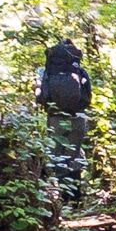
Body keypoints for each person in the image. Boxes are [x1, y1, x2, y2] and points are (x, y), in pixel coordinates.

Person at [34, 38, 92, 201]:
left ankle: (62, 199)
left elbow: (41, 96)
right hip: (78, 117)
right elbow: (88, 97)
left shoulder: (46, 72)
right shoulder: (80, 72)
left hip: (55, 117)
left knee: (57, 154)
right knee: (74, 154)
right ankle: (75, 198)